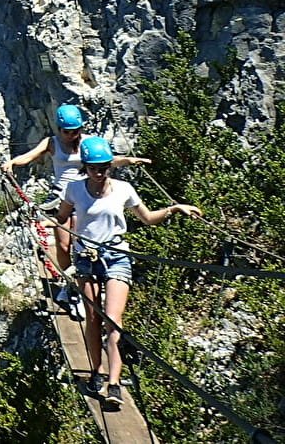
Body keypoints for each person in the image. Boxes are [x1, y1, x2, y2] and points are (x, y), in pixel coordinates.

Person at [57, 136, 201, 407]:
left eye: (104, 167)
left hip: (117, 256)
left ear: (110, 166)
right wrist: (62, 231)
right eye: (93, 168)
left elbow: (147, 218)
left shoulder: (124, 189)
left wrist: (173, 209)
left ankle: (114, 383)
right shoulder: (74, 190)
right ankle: (96, 373)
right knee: (93, 318)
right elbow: (63, 217)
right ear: (85, 167)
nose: (99, 173)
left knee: (113, 320)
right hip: (88, 258)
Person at [1, 105, 151, 318]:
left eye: (75, 131)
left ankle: (81, 286)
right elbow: (30, 155)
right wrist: (13, 163)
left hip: (86, 198)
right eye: (67, 131)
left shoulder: (88, 143)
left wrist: (128, 160)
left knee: (83, 242)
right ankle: (68, 282)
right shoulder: (51, 143)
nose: (72, 135)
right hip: (62, 198)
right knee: (63, 244)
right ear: (59, 129)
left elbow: (104, 162)